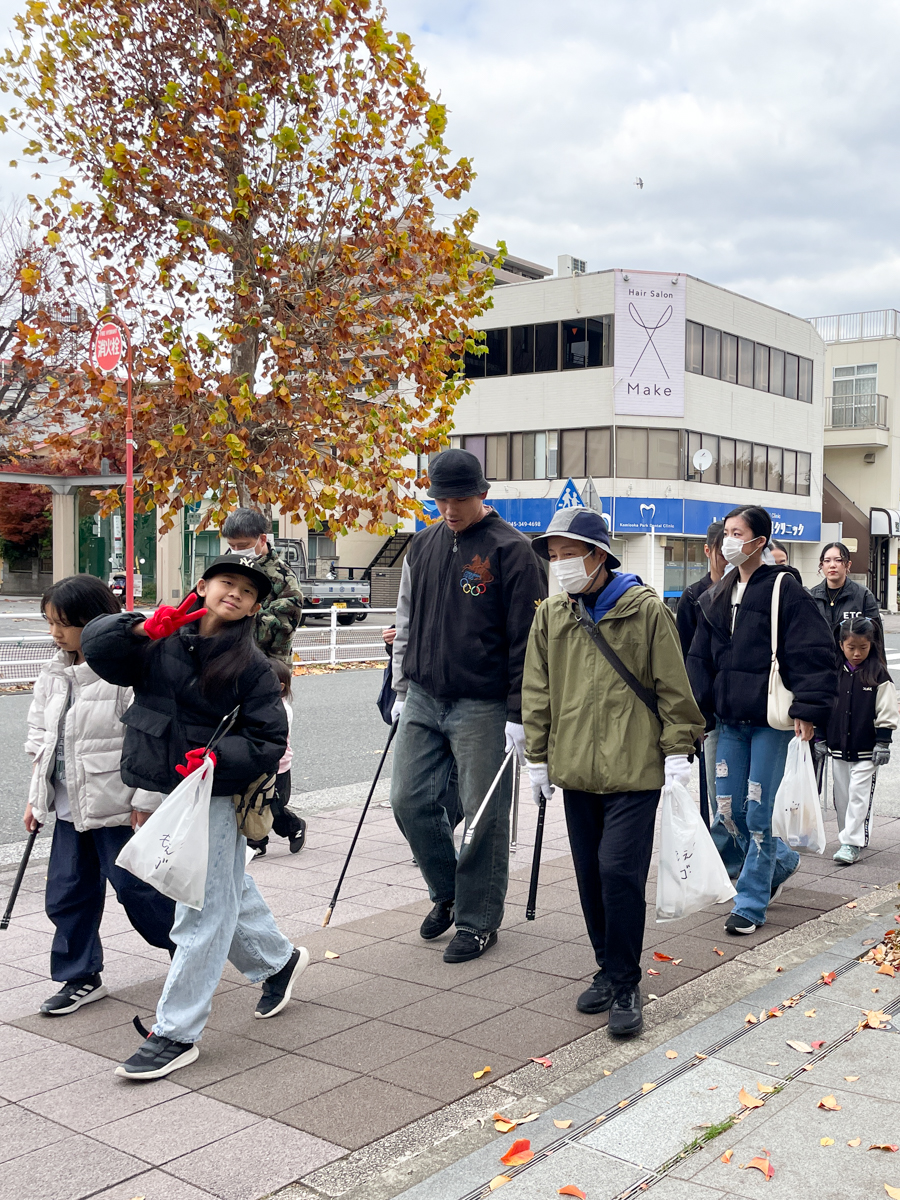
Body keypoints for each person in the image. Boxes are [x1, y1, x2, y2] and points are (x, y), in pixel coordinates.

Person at [82, 554, 308, 1080]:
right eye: (226, 582)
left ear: (253, 608)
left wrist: (215, 759)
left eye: (247, 592)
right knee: (223, 889)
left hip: (215, 794)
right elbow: (98, 651)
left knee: (200, 911)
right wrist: (138, 627)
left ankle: (176, 1032)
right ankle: (277, 962)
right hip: (165, 784)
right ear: (202, 586)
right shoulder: (159, 642)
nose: (235, 594)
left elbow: (269, 739)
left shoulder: (252, 665)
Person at [522, 508, 704, 1037]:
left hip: (635, 769)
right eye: (553, 556)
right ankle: (606, 966)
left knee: (618, 872)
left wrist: (677, 751)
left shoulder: (645, 610)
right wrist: (537, 757)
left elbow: (673, 686)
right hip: (577, 768)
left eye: (569, 554)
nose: (559, 564)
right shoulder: (551, 614)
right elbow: (537, 688)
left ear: (598, 555)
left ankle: (626, 982)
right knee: (589, 875)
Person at [390, 448, 547, 963]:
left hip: (484, 703)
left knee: (484, 814)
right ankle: (449, 891)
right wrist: (399, 688)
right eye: (441, 500)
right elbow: (406, 618)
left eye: (459, 499)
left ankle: (478, 921)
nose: (449, 509)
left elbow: (529, 641)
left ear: (482, 493)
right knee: (408, 799)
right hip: (422, 693)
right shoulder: (423, 543)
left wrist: (519, 714)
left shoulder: (513, 550)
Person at [24, 575, 176, 1016]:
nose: (55, 633)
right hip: (69, 807)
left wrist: (146, 801)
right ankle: (80, 975)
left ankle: (187, 953)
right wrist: (36, 797)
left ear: (93, 622)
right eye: (50, 622)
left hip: (120, 808)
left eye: (64, 623)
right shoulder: (54, 672)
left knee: (141, 893)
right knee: (66, 892)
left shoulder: (127, 672)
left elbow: (152, 740)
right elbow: (40, 738)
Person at [688, 506, 838, 935]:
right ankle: (781, 861)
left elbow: (813, 651)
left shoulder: (783, 589)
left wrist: (808, 709)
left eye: (738, 533)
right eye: (726, 532)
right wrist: (696, 714)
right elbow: (699, 659)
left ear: (759, 541)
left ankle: (750, 903)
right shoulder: (717, 593)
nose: (729, 540)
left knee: (758, 814)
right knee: (727, 810)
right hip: (729, 720)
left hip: (771, 722)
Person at [819, 617, 898, 866]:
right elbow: (823, 706)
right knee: (842, 796)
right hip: (838, 747)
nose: (856, 653)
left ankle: (851, 842)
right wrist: (820, 738)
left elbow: (887, 710)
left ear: (871, 645)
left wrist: (883, 742)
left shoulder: (878, 675)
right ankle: (849, 836)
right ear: (841, 644)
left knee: (859, 794)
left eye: (863, 648)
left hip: (867, 749)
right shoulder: (833, 673)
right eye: (851, 647)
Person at [675, 522, 726, 816]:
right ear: (708, 551)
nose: (728, 558)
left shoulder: (751, 592)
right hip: (710, 713)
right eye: (722, 550)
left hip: (745, 709)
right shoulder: (693, 596)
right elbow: (683, 659)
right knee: (719, 796)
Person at [222, 508, 304, 663]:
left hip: (266, 664)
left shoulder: (284, 578)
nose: (236, 551)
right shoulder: (223, 568)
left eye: (243, 545)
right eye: (232, 546)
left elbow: (281, 627)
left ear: (262, 539)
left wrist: (229, 616)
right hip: (224, 662)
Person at [246, 657, 306, 857]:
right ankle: (256, 842)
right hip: (261, 764)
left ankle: (294, 826)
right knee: (256, 803)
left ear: (279, 687)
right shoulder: (259, 704)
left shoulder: (282, 710)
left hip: (278, 766)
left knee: (273, 806)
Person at [808, 542, 881, 635]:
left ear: (848, 564)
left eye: (838, 560)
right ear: (822, 565)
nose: (832, 565)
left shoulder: (863, 595)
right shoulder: (812, 596)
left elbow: (876, 635)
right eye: (827, 561)